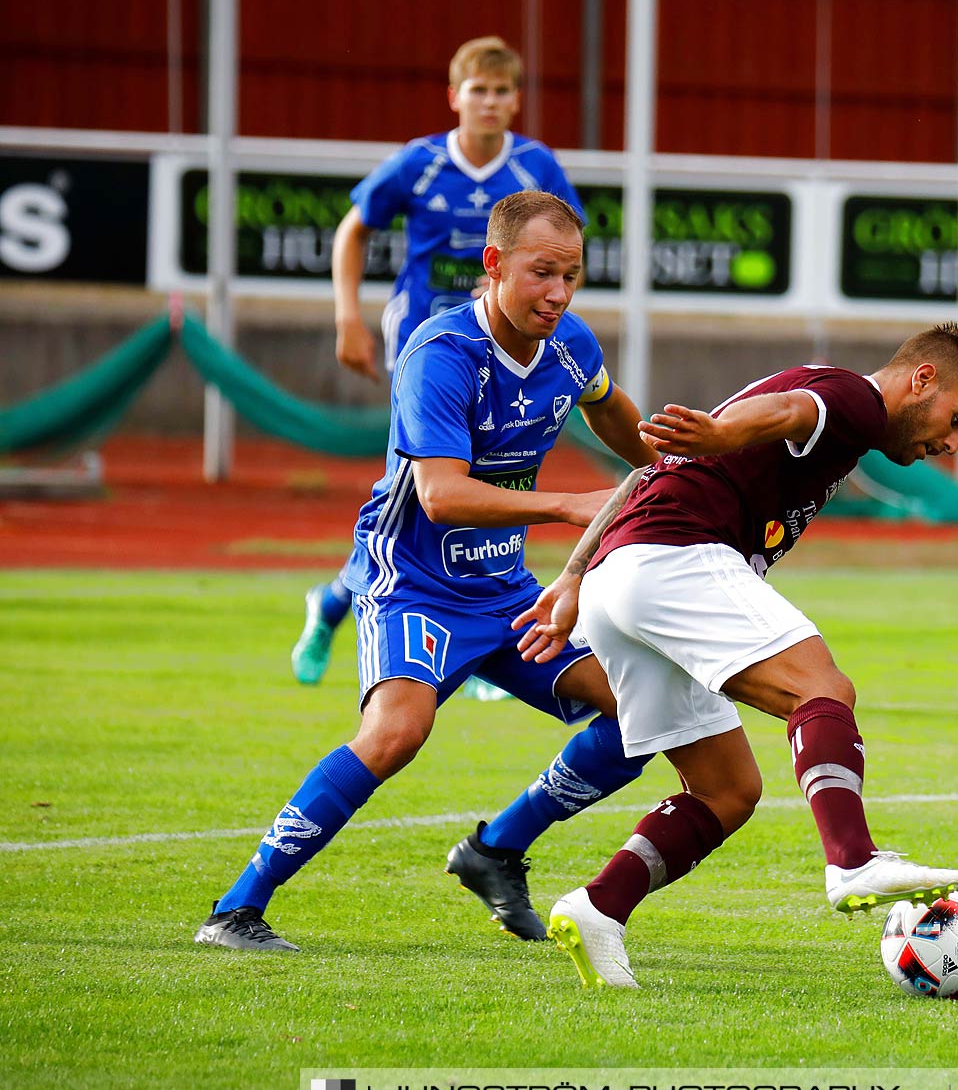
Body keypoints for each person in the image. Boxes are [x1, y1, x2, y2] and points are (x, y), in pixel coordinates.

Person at [198, 193, 659, 951]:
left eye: (572, 276)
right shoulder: (439, 354)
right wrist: (573, 504)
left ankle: (496, 849)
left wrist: (662, 469)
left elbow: (606, 406)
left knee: (640, 715)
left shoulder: (570, 344)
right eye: (542, 273)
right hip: (411, 577)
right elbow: (440, 497)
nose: (559, 293)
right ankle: (237, 908)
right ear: (494, 264)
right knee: (396, 733)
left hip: (505, 586)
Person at [499, 322, 958, 989]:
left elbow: (646, 474)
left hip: (617, 580)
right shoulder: (855, 401)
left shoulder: (827, 406)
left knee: (727, 790)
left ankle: (600, 906)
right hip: (673, 558)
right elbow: (792, 412)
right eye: (957, 419)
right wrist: (723, 434)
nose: (951, 443)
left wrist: (571, 575)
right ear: (922, 381)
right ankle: (853, 860)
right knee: (821, 687)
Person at [291, 36, 587, 690]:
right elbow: (353, 228)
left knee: (500, 469)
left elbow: (568, 236)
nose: (489, 102)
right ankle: (399, 613)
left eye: (501, 90)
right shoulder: (420, 163)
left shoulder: (535, 165)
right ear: (455, 97)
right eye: (477, 90)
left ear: (516, 101)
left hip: (506, 343)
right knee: (428, 486)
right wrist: (347, 314)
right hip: (427, 338)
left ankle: (354, 604)